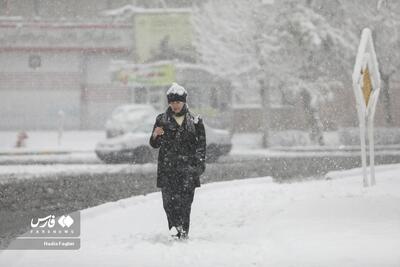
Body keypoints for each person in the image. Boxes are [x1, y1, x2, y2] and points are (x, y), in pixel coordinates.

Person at [149, 83, 206, 240]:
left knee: (185, 204)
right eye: (172, 102)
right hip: (167, 170)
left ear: (184, 102)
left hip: (188, 171)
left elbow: (201, 147)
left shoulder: (195, 121)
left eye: (178, 102)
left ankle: (182, 233)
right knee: (169, 204)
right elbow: (154, 144)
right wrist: (155, 135)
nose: (175, 105)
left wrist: (198, 166)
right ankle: (174, 230)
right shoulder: (161, 119)